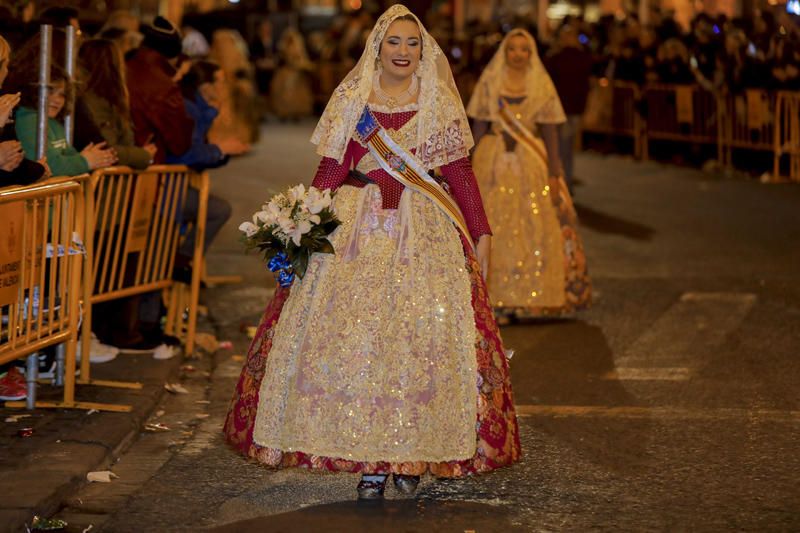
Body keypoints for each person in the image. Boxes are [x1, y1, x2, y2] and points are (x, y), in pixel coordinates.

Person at [224, 5, 520, 500]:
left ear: (423, 52)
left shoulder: (439, 103)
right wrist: (301, 224)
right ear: (377, 48)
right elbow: (331, 171)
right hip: (355, 231)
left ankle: (412, 450)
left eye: (412, 44)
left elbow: (461, 175)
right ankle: (369, 461)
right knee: (357, 345)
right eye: (394, 43)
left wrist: (481, 231)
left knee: (421, 343)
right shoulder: (351, 101)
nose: (403, 52)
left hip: (424, 233)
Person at [467, 29, 591, 321]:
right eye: (513, 49)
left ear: (531, 53)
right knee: (492, 224)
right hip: (493, 158)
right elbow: (480, 126)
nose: (519, 54)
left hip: (530, 160)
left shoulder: (541, 84)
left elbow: (550, 130)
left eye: (524, 49)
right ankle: (493, 297)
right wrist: (468, 164)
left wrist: (555, 170)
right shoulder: (491, 81)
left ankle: (533, 297)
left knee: (536, 225)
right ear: (505, 52)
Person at [78, 38, 156, 169]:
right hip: (102, 183)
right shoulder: (94, 102)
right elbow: (106, 148)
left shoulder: (108, 100)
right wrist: (143, 155)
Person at [545, 24, 593, 193]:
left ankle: (564, 182)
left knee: (562, 147)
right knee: (566, 146)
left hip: (564, 108)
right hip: (573, 108)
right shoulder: (582, 57)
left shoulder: (557, 58)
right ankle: (565, 181)